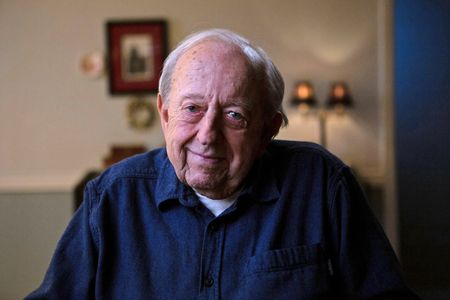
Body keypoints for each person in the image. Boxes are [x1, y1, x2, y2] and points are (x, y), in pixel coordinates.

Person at [26, 29, 420, 299]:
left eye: (234, 115)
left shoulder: (322, 183)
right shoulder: (111, 197)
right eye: (192, 109)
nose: (207, 134)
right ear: (164, 114)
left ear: (268, 130)